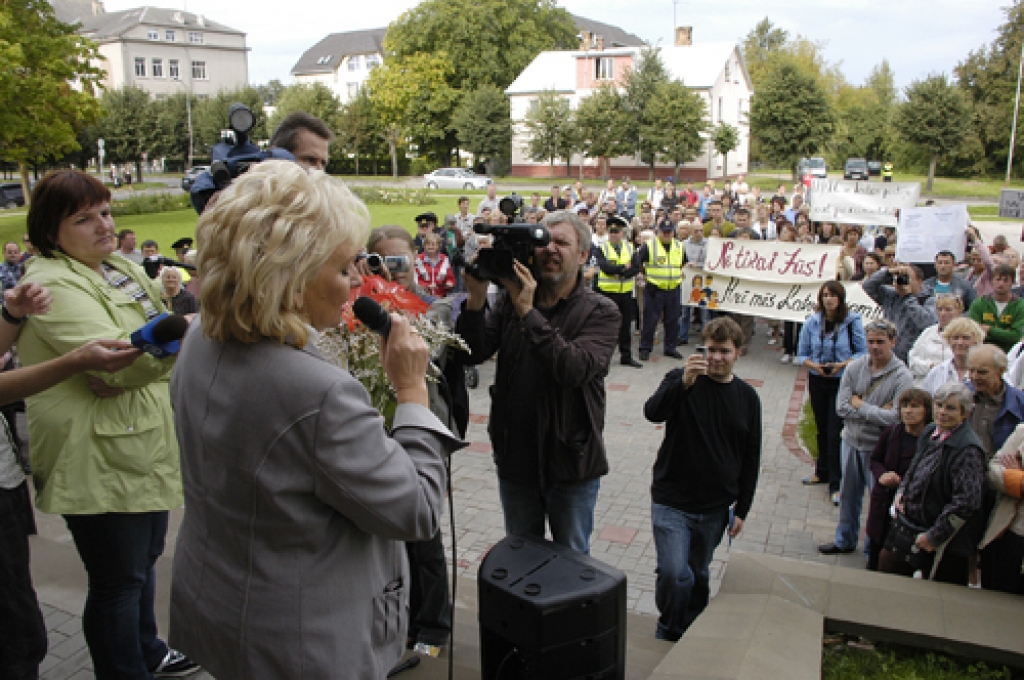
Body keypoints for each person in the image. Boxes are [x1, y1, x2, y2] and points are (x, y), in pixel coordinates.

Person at [169, 162, 462, 679]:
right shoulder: (317, 391)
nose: (356, 281)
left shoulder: (199, 340)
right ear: (288, 274)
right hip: (302, 640)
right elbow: (416, 510)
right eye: (343, 266)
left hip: (220, 606)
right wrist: (413, 389)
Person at [20, 169, 197, 678]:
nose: (103, 225)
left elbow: (151, 343)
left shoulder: (116, 266)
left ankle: (148, 651)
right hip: (95, 457)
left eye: (105, 212)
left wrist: (161, 343)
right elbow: (120, 358)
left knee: (142, 566)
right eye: (83, 218)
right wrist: (167, 341)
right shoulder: (47, 283)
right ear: (52, 232)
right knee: (117, 581)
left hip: (142, 441)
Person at [457, 210, 619, 554]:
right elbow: (472, 353)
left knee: (572, 562)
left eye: (562, 242)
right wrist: (475, 300)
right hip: (516, 458)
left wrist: (528, 312)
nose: (550, 250)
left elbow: (573, 368)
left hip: (571, 463)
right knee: (520, 558)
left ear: (583, 255)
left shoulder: (601, 311)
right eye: (543, 242)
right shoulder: (507, 302)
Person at [364, 224, 468, 655]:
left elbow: (432, 352)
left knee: (424, 535)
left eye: (401, 260)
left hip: (422, 431)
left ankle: (434, 625)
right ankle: (400, 617)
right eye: (382, 261)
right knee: (388, 539)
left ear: (416, 262)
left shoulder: (434, 307)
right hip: (378, 432)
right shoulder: (361, 308)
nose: (394, 269)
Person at [644, 317, 761, 641]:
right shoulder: (681, 379)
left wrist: (743, 508)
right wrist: (681, 384)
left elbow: (752, 455)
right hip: (672, 500)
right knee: (673, 572)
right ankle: (669, 629)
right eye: (710, 350)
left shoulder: (748, 398)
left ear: (738, 352)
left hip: (715, 507)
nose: (716, 358)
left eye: (724, 351)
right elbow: (652, 412)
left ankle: (692, 630)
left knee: (697, 573)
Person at [819, 320, 913, 554]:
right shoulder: (854, 368)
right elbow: (841, 408)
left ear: (893, 342)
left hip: (879, 448)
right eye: (871, 342)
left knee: (878, 500)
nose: (875, 347)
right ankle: (844, 540)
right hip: (850, 440)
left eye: (880, 342)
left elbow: (896, 418)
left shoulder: (902, 376)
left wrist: (860, 405)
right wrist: (877, 410)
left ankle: (873, 547)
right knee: (848, 495)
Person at [879, 382, 986, 584]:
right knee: (887, 575)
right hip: (909, 526)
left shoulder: (969, 450)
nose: (942, 412)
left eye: (951, 408)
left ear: (965, 413)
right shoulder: (930, 432)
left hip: (943, 543)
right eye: (939, 405)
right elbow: (914, 468)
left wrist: (934, 536)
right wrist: (902, 493)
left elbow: (966, 502)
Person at [796, 281, 868, 502]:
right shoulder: (812, 322)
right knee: (821, 428)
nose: (829, 299)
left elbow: (862, 352)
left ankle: (837, 484)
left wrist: (842, 364)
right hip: (818, 379)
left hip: (841, 380)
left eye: (833, 296)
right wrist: (815, 366)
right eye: (825, 295)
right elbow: (802, 353)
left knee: (835, 430)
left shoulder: (851, 321)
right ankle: (822, 471)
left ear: (840, 298)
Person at [865, 389, 933, 571]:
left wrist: (902, 482)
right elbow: (875, 459)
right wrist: (882, 475)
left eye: (915, 406)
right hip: (882, 502)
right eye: (904, 406)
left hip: (907, 510)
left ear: (927, 410)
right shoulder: (892, 431)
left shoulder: (931, 441)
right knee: (875, 552)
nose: (908, 411)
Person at [862, 263, 938, 364]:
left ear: (920, 282)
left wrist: (908, 297)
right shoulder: (892, 295)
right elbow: (867, 287)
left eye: (908, 278)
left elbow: (926, 322)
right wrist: (888, 272)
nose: (903, 281)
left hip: (913, 359)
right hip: (888, 356)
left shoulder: (929, 299)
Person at [980, 422, 1024, 594]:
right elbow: (992, 471)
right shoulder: (1021, 432)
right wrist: (1017, 480)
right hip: (1009, 530)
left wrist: (1014, 477)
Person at [595, 216, 642, 367]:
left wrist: (620, 273)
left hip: (625, 293)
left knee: (625, 326)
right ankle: (603, 358)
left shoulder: (630, 247)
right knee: (606, 327)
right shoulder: (602, 247)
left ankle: (626, 356)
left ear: (622, 233)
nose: (614, 234)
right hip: (608, 293)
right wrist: (623, 268)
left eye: (617, 231)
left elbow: (636, 268)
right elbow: (605, 267)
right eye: (612, 231)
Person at [635, 218, 685, 360]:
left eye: (670, 232)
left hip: (673, 288)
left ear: (673, 232)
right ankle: (645, 348)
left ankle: (670, 347)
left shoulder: (679, 246)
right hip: (654, 289)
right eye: (664, 232)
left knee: (672, 320)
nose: (667, 234)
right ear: (659, 232)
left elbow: (682, 263)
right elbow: (637, 261)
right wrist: (642, 275)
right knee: (650, 321)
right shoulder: (650, 246)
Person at [969, 263, 1024, 353]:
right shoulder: (979, 303)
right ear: (992, 281)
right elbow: (974, 333)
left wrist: (989, 329)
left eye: (1005, 280)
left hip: (1009, 353)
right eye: (998, 279)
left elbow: (1016, 336)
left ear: (1013, 282)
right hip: (982, 353)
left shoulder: (1020, 305)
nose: (1001, 284)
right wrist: (1005, 332)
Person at [922, 317, 985, 395]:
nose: (960, 342)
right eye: (955, 338)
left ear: (976, 341)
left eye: (965, 338)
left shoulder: (984, 373)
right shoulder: (936, 372)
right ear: (949, 340)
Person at [908, 295, 962, 385]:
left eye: (948, 310)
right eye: (940, 309)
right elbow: (912, 361)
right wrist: (930, 366)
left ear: (959, 312)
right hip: (924, 385)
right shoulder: (928, 332)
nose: (943, 314)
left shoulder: (966, 333)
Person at [415, 233, 456, 298]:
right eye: (428, 244)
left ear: (438, 246)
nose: (430, 247)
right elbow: (415, 280)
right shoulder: (418, 260)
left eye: (433, 244)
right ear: (424, 246)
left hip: (441, 298)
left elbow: (450, 278)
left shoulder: (445, 259)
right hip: (422, 297)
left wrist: (449, 283)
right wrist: (427, 286)